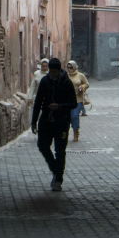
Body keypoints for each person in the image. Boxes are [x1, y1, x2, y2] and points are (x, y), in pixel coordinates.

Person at [30, 57, 77, 191]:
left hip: (62, 121)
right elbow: (38, 102)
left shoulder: (66, 83)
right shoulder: (45, 81)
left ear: (58, 70)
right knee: (42, 145)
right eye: (51, 71)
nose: (52, 74)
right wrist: (34, 121)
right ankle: (56, 170)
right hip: (46, 120)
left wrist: (60, 106)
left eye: (54, 72)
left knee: (60, 150)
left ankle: (58, 179)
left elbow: (73, 103)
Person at [65, 60, 89, 142]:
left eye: (71, 67)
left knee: (74, 116)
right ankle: (65, 134)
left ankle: (76, 132)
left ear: (74, 67)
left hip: (77, 99)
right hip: (66, 100)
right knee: (66, 118)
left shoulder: (80, 75)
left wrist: (82, 86)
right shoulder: (65, 75)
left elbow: (87, 84)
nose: (69, 69)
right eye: (68, 67)